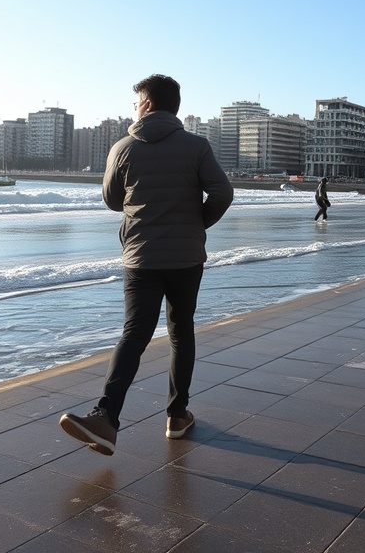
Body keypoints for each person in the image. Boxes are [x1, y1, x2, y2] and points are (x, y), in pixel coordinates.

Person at [59, 74, 233, 455]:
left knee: (135, 333)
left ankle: (106, 417)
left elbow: (110, 199)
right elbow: (223, 191)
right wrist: (195, 224)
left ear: (148, 105)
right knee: (180, 332)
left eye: (136, 101)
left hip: (141, 257)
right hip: (187, 257)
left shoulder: (123, 146)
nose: (134, 108)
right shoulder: (197, 145)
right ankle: (176, 415)